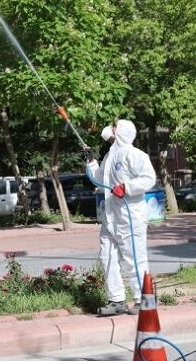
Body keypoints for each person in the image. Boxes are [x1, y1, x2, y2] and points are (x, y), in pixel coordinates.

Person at [84, 119, 156, 316]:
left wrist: (126, 188)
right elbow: (99, 178)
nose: (109, 128)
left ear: (121, 131)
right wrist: (91, 162)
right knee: (107, 257)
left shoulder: (134, 154)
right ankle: (116, 300)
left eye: (114, 126)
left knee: (134, 259)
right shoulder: (109, 155)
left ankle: (144, 299)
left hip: (130, 217)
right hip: (111, 217)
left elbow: (149, 178)